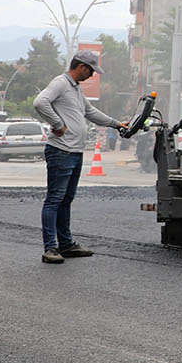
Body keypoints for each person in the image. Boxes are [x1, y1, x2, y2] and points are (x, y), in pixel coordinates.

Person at [32, 51, 128, 265]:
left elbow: (90, 111)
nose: (92, 75)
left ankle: (66, 244)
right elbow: (40, 102)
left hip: (74, 152)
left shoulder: (75, 88)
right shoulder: (60, 83)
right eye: (91, 70)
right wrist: (58, 124)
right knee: (54, 199)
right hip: (60, 151)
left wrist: (115, 123)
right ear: (82, 66)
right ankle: (50, 248)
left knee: (66, 199)